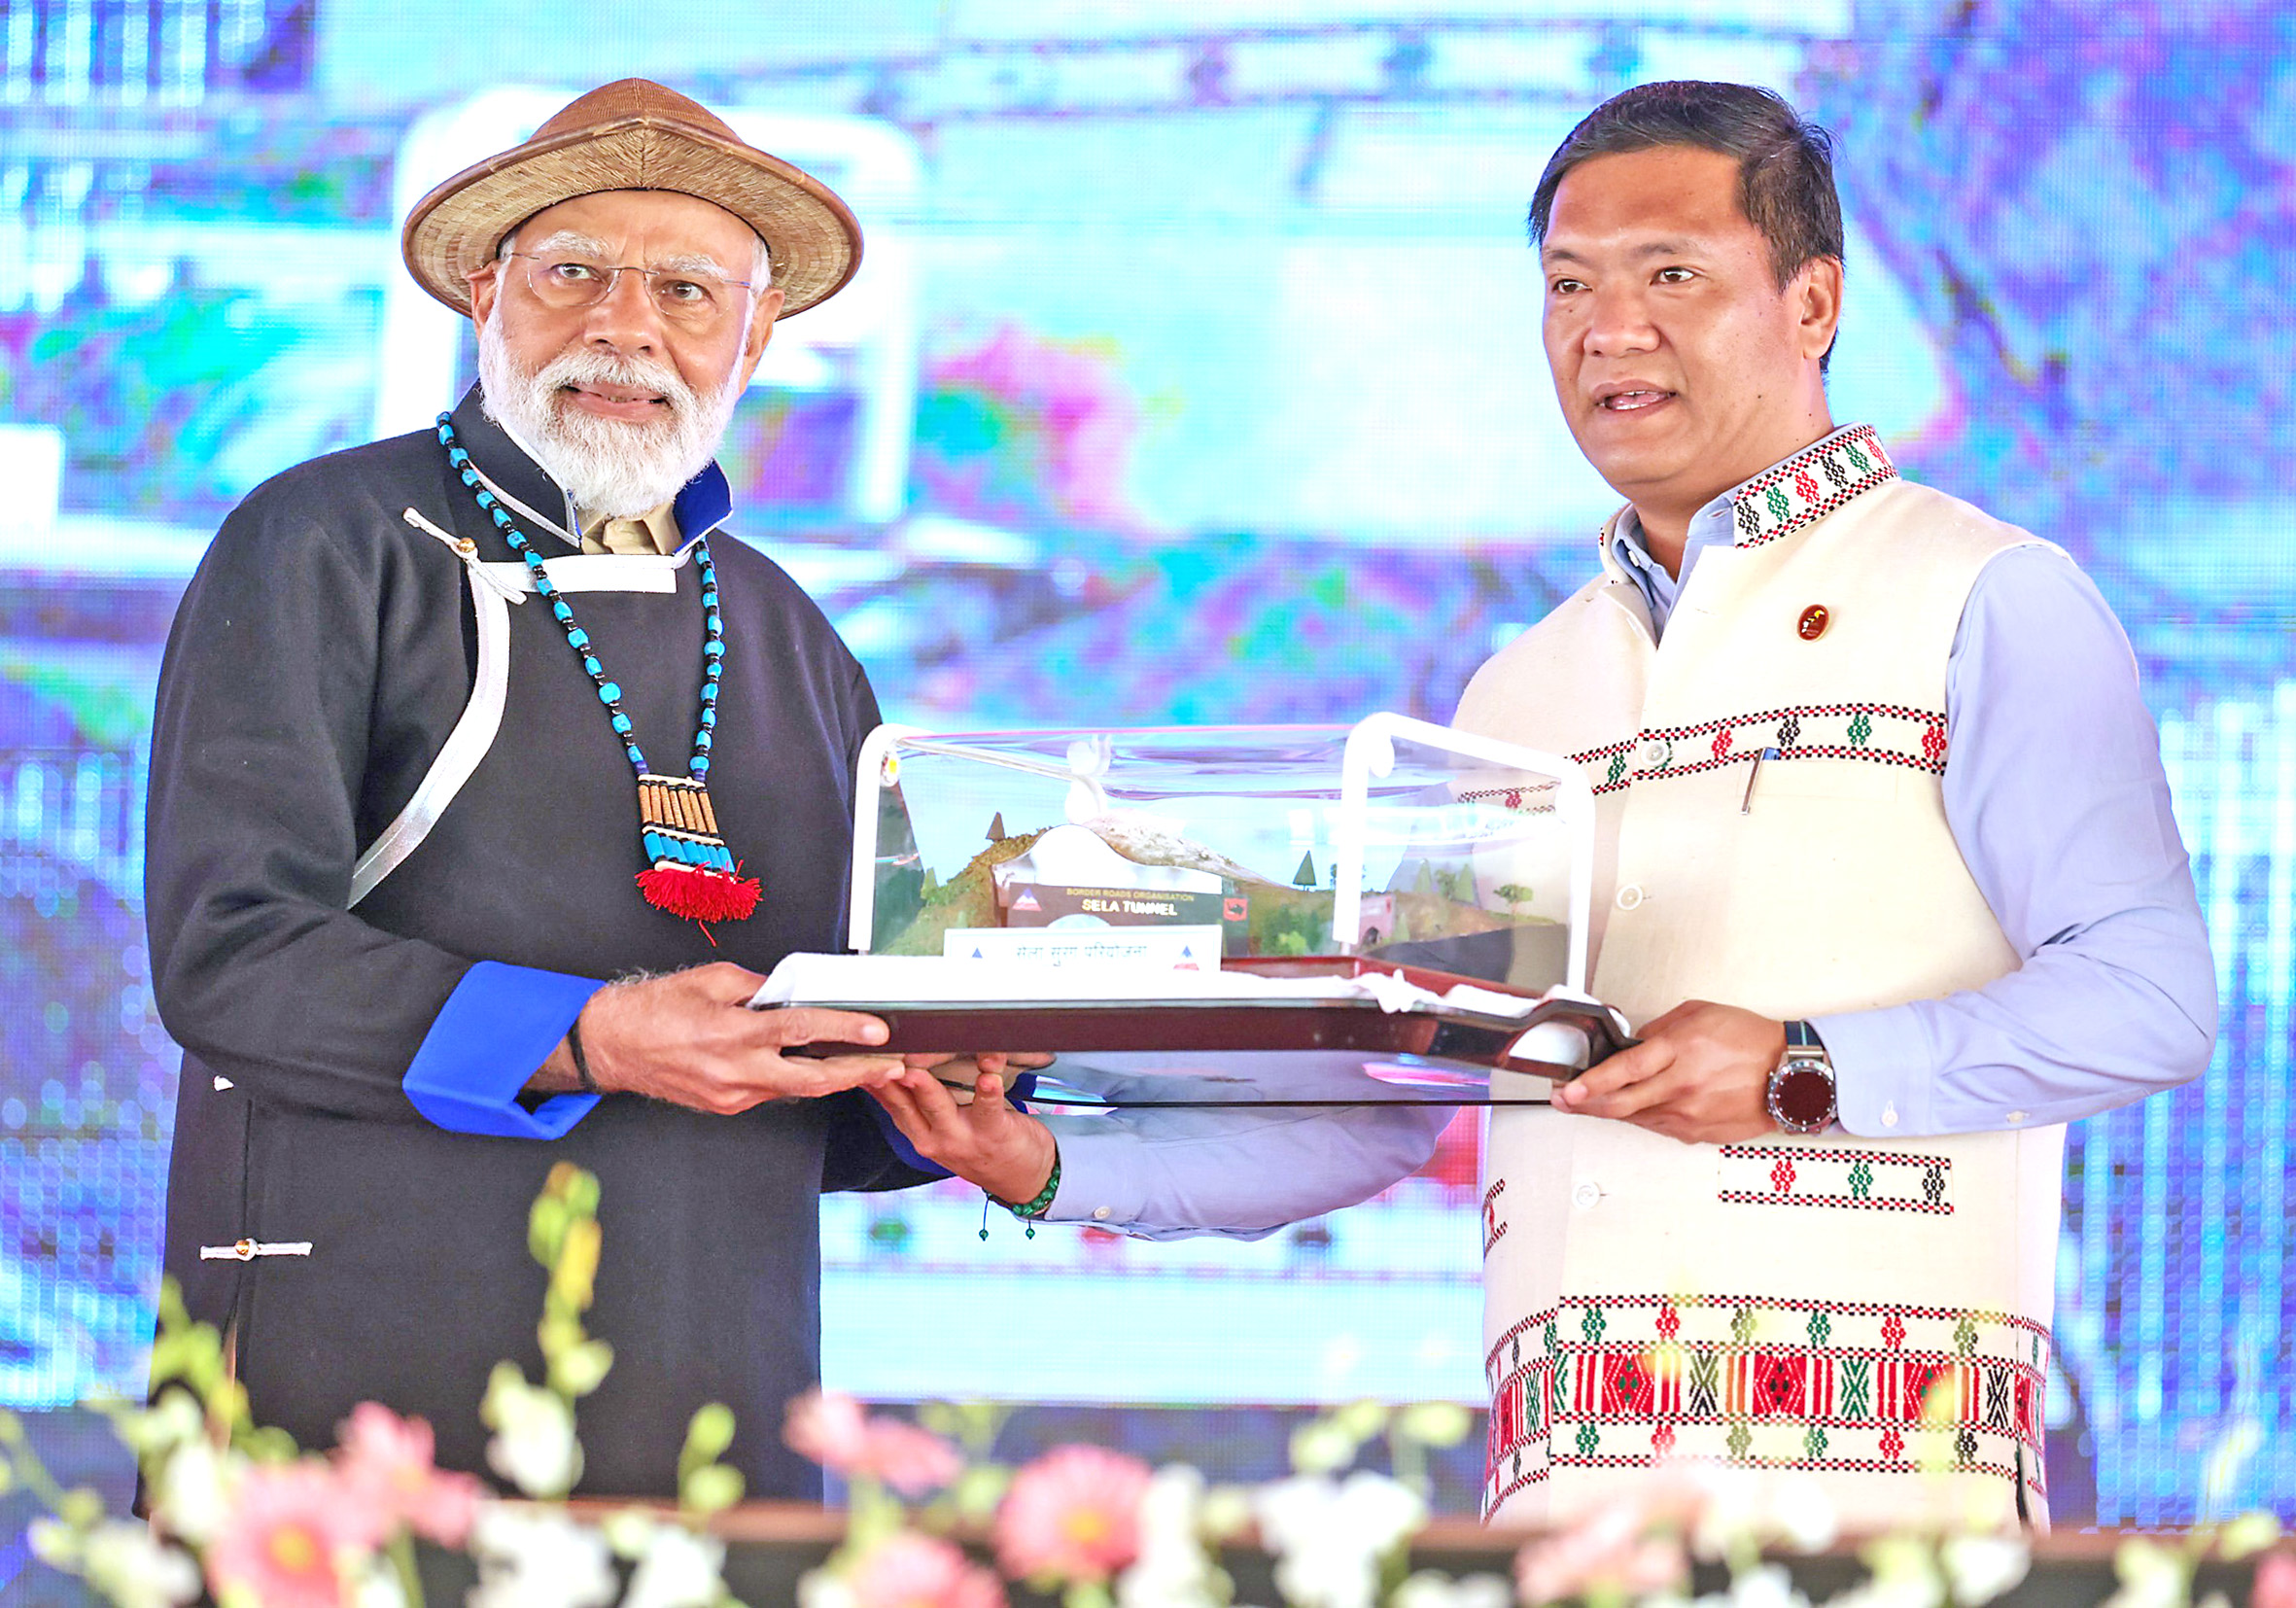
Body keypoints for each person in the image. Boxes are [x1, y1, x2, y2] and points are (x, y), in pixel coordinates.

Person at [149, 78, 1445, 1500]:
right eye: (572, 271)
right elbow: (232, 959)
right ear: (485, 292)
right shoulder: (326, 539)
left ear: (758, 334)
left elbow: (823, 1049)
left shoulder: (784, 629)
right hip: (357, 1368)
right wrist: (594, 1034)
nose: (625, 326)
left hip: (718, 1366)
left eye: (688, 291)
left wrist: (932, 1087)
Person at [1450, 81, 2214, 1527]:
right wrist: (1040, 1153)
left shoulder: (1986, 595)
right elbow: (1391, 1080)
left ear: (1812, 303)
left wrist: (1804, 1070)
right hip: (1557, 1527)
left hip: (1886, 1522)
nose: (1608, 329)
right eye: (1567, 286)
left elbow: (2148, 998)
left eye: (1669, 274)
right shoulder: (1512, 689)